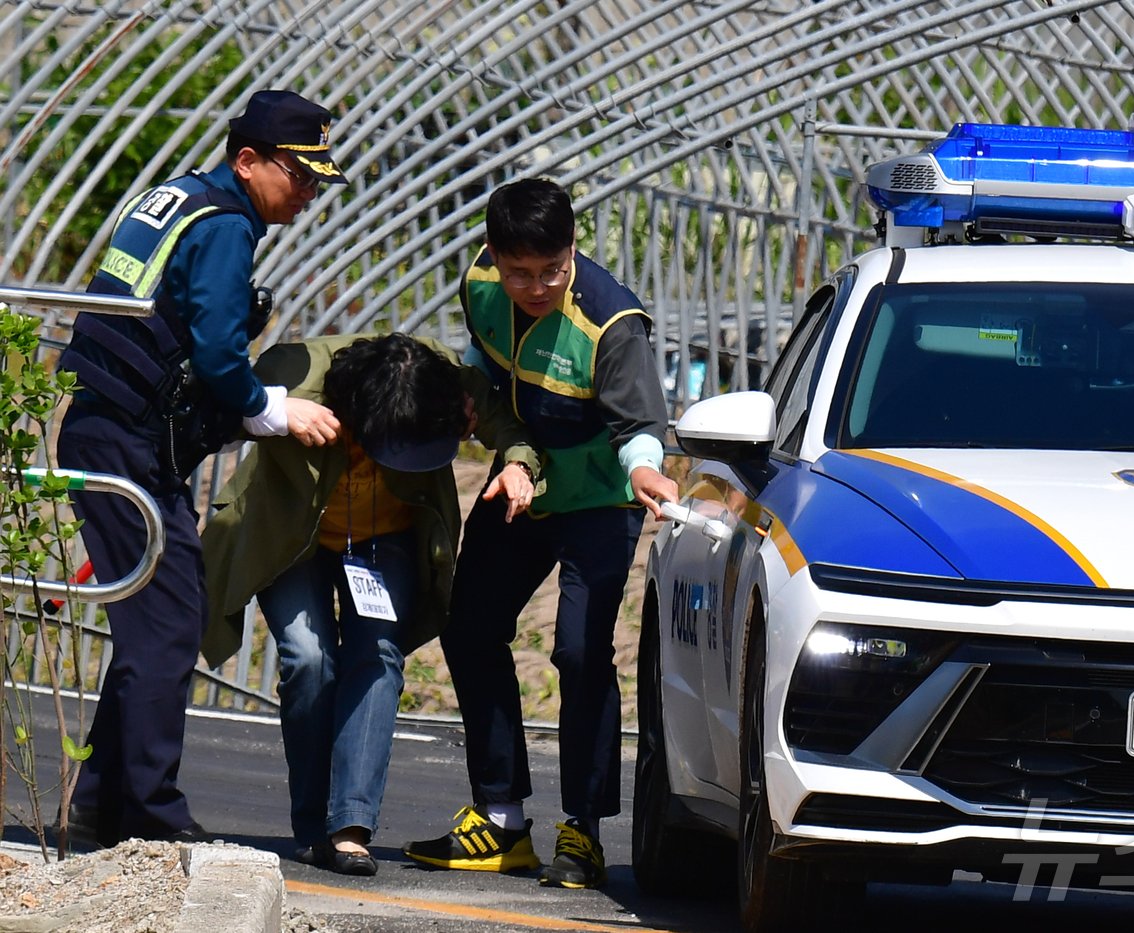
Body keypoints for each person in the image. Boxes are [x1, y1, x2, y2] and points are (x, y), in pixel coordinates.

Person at [55, 89, 347, 846]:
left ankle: (103, 798)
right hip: (125, 440)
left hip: (110, 431)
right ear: (248, 161)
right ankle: (152, 815)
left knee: (157, 619)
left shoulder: (178, 196)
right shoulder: (223, 227)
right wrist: (273, 408)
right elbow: (217, 351)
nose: (310, 193)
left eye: (319, 179)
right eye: (300, 175)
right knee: (172, 622)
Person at [403, 178, 679, 890]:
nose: (535, 286)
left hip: (602, 497)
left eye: (550, 270)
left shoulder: (612, 323)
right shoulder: (481, 287)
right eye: (519, 271)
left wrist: (646, 471)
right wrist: (499, 435)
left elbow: (640, 426)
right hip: (520, 482)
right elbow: (490, 373)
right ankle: (500, 819)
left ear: (573, 250)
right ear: (493, 255)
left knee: (582, 652)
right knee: (469, 629)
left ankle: (582, 831)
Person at [199, 333, 540, 876]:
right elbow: (214, 408)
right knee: (308, 658)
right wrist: (274, 410)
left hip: (387, 540)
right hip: (292, 535)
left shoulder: (442, 377)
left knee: (377, 657)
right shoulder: (294, 369)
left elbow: (510, 427)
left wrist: (519, 465)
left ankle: (351, 827)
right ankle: (313, 826)